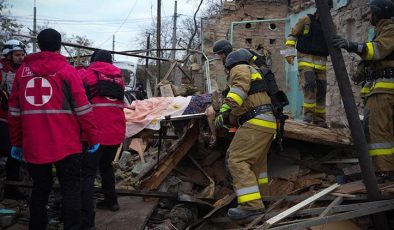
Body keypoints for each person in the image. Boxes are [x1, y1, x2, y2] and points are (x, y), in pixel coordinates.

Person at [8, 28, 99, 230]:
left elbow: (13, 111)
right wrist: (93, 138)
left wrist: (16, 142)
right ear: (59, 46)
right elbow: (83, 110)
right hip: (67, 145)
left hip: (34, 145)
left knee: (40, 188)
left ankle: (37, 226)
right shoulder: (67, 71)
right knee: (71, 189)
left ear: (38, 45)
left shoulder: (22, 72)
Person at [333, 0, 394, 180]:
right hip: (379, 90)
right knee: (384, 131)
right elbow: (371, 60)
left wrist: (351, 46)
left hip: (384, 91)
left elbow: (377, 51)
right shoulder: (381, 32)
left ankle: (383, 171)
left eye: (370, 13)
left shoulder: (390, 29)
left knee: (377, 131)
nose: (368, 16)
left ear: (378, 13)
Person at [215, 48, 277, 220]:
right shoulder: (255, 71)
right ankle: (263, 199)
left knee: (237, 160)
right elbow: (243, 105)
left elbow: (239, 89)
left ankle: (251, 206)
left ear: (230, 64)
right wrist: (233, 116)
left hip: (255, 123)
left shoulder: (239, 68)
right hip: (268, 122)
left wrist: (225, 108)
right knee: (257, 165)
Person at [80, 50, 125, 229]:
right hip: (115, 131)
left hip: (94, 132)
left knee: (88, 173)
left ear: (93, 60)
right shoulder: (119, 77)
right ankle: (111, 201)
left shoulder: (86, 74)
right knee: (106, 166)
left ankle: (86, 218)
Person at [285, 0, 333, 127]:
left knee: (321, 90)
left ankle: (319, 119)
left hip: (321, 63)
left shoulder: (330, 25)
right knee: (310, 85)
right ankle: (307, 117)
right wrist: (288, 54)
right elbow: (291, 36)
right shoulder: (305, 20)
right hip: (306, 60)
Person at [0, 39, 26, 199]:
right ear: (8, 56)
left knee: (14, 154)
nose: (21, 57)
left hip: (18, 118)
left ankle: (11, 189)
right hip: (2, 118)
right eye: (17, 55)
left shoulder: (24, 71)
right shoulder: (2, 70)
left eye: (23, 54)